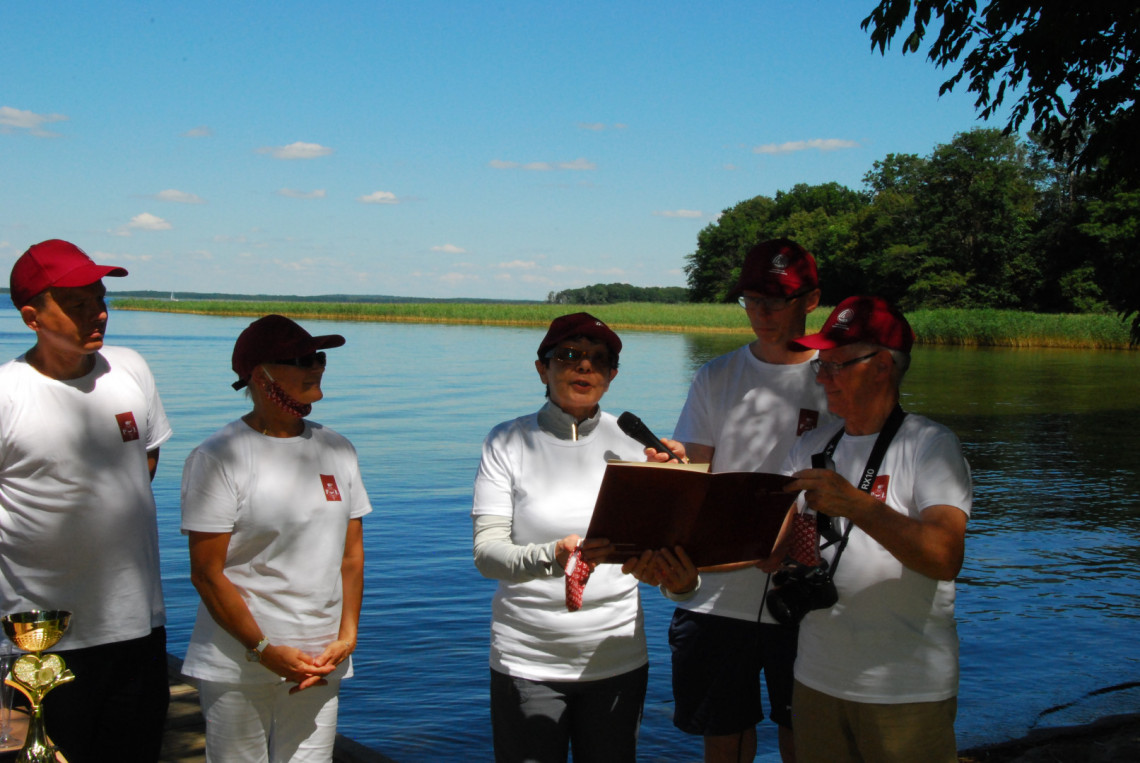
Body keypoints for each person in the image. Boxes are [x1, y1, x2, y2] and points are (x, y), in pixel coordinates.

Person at [471, 312, 697, 763]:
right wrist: (553, 555)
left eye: (599, 359)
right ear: (543, 367)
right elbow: (487, 555)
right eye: (569, 355)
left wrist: (682, 580)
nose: (584, 367)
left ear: (612, 375)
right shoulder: (507, 442)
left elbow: (671, 570)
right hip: (527, 661)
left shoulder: (638, 447)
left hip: (616, 660)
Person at [649, 238, 830, 763]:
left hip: (806, 591)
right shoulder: (716, 375)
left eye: (776, 301)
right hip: (715, 594)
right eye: (751, 300)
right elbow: (698, 469)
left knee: (806, 734)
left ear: (811, 300)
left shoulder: (836, 378)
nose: (762, 313)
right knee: (723, 734)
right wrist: (674, 464)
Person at [0, 239, 173, 761]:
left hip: (138, 627)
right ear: (31, 315)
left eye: (100, 299)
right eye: (75, 304)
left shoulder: (129, 369)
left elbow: (144, 459)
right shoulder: (8, 394)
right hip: (43, 638)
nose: (96, 313)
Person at [780, 296, 971, 762]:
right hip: (816, 680)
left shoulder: (930, 446)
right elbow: (771, 545)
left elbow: (945, 558)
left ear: (882, 366)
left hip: (906, 692)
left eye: (836, 365)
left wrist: (861, 507)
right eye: (819, 366)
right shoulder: (811, 443)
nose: (822, 378)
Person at [180, 314, 371, 762]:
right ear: (261, 377)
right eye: (302, 359)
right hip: (240, 660)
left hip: (322, 657)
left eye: (318, 356)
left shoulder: (338, 449)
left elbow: (352, 556)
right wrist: (264, 650)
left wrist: (347, 637)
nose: (318, 366)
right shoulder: (217, 457)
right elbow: (207, 574)